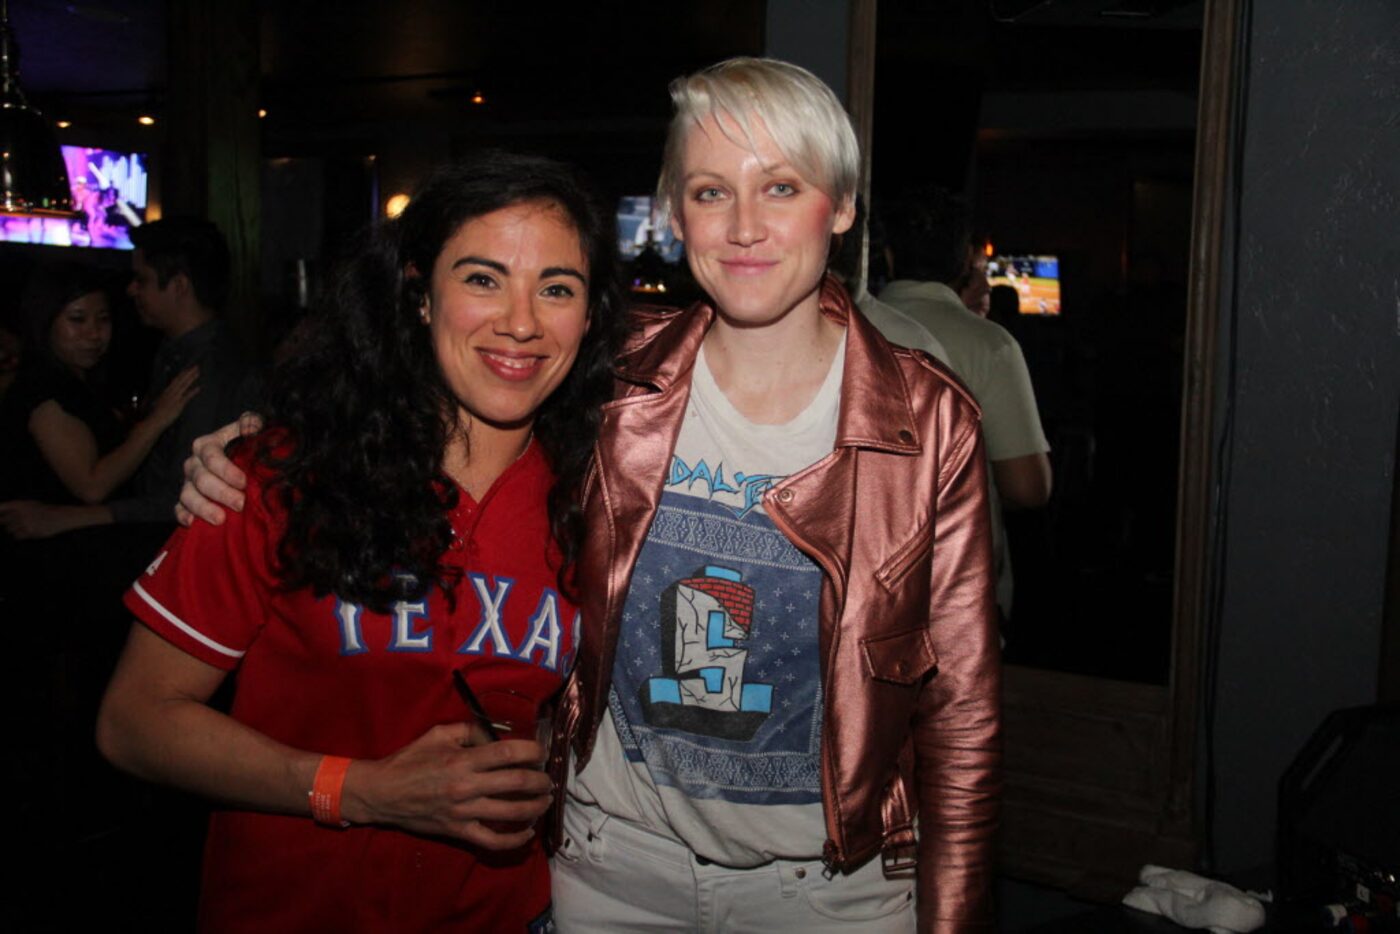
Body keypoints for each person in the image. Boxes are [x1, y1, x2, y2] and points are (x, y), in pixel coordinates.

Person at [180, 59, 1001, 933]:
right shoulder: (608, 377)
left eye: (783, 187)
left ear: (839, 207)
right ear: (675, 212)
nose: (746, 227)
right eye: (711, 191)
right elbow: (443, 376)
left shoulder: (924, 420)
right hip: (612, 877)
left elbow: (962, 717)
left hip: (831, 894)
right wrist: (267, 440)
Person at [96, 152, 626, 931]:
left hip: (506, 914)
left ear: (589, 315)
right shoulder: (279, 478)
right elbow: (134, 723)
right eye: (482, 278)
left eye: (557, 288)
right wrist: (359, 788)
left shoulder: (604, 498)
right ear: (418, 293)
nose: (522, 321)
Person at [877, 187, 1051, 620]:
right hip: (956, 586)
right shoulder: (988, 345)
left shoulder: (846, 326)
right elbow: (1029, 487)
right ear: (963, 265)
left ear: (889, 257)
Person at [0, 263, 199, 537]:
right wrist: (158, 420)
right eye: (77, 319)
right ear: (46, 321)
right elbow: (92, 485)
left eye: (103, 319)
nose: (94, 334)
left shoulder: (80, 381)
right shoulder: (42, 388)